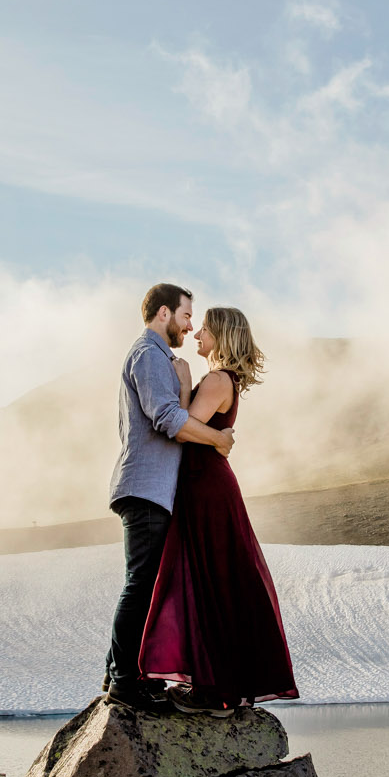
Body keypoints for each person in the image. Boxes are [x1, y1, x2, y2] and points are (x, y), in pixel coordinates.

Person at [139, 306, 299, 714]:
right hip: (205, 481)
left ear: (221, 336)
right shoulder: (229, 380)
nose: (197, 335)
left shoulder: (215, 379)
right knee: (213, 577)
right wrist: (219, 437)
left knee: (209, 578)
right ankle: (220, 684)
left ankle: (217, 689)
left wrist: (184, 383)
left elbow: (183, 427)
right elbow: (208, 433)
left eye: (204, 330)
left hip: (204, 485)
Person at [103, 283, 235, 710]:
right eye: (185, 316)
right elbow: (166, 418)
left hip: (151, 487)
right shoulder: (149, 355)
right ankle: (124, 682)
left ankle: (118, 675)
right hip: (145, 488)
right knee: (140, 584)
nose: (190, 325)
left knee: (143, 583)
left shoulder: (158, 357)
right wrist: (217, 438)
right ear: (164, 313)